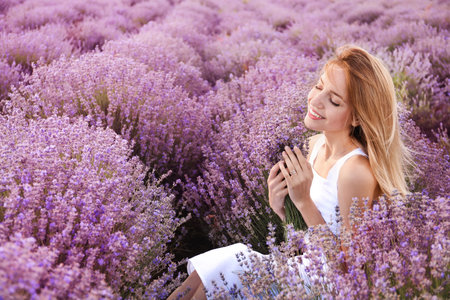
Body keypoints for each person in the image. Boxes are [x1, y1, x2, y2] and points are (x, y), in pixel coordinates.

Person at [168, 45, 410, 299]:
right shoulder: (315, 146)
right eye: (319, 86)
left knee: (223, 273)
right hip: (300, 270)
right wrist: (282, 209)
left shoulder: (355, 171)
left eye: (334, 100)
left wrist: (303, 201)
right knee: (207, 275)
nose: (316, 101)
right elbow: (303, 244)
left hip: (323, 289)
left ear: (358, 118)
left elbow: (347, 269)